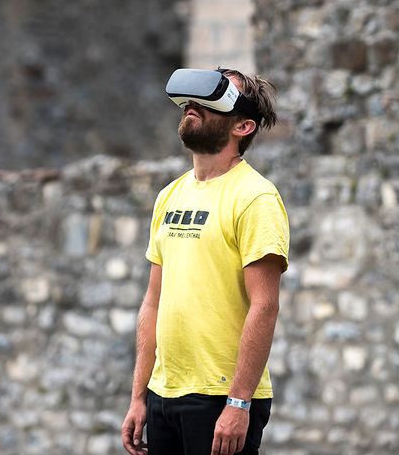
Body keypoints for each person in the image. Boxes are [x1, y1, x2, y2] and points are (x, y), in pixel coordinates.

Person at [122, 68, 290, 455]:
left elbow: (265, 306)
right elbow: (153, 302)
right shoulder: (170, 195)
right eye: (193, 99)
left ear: (243, 126)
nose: (194, 104)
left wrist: (239, 403)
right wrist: (139, 396)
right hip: (163, 394)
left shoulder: (256, 198)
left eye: (215, 98)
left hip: (221, 398)